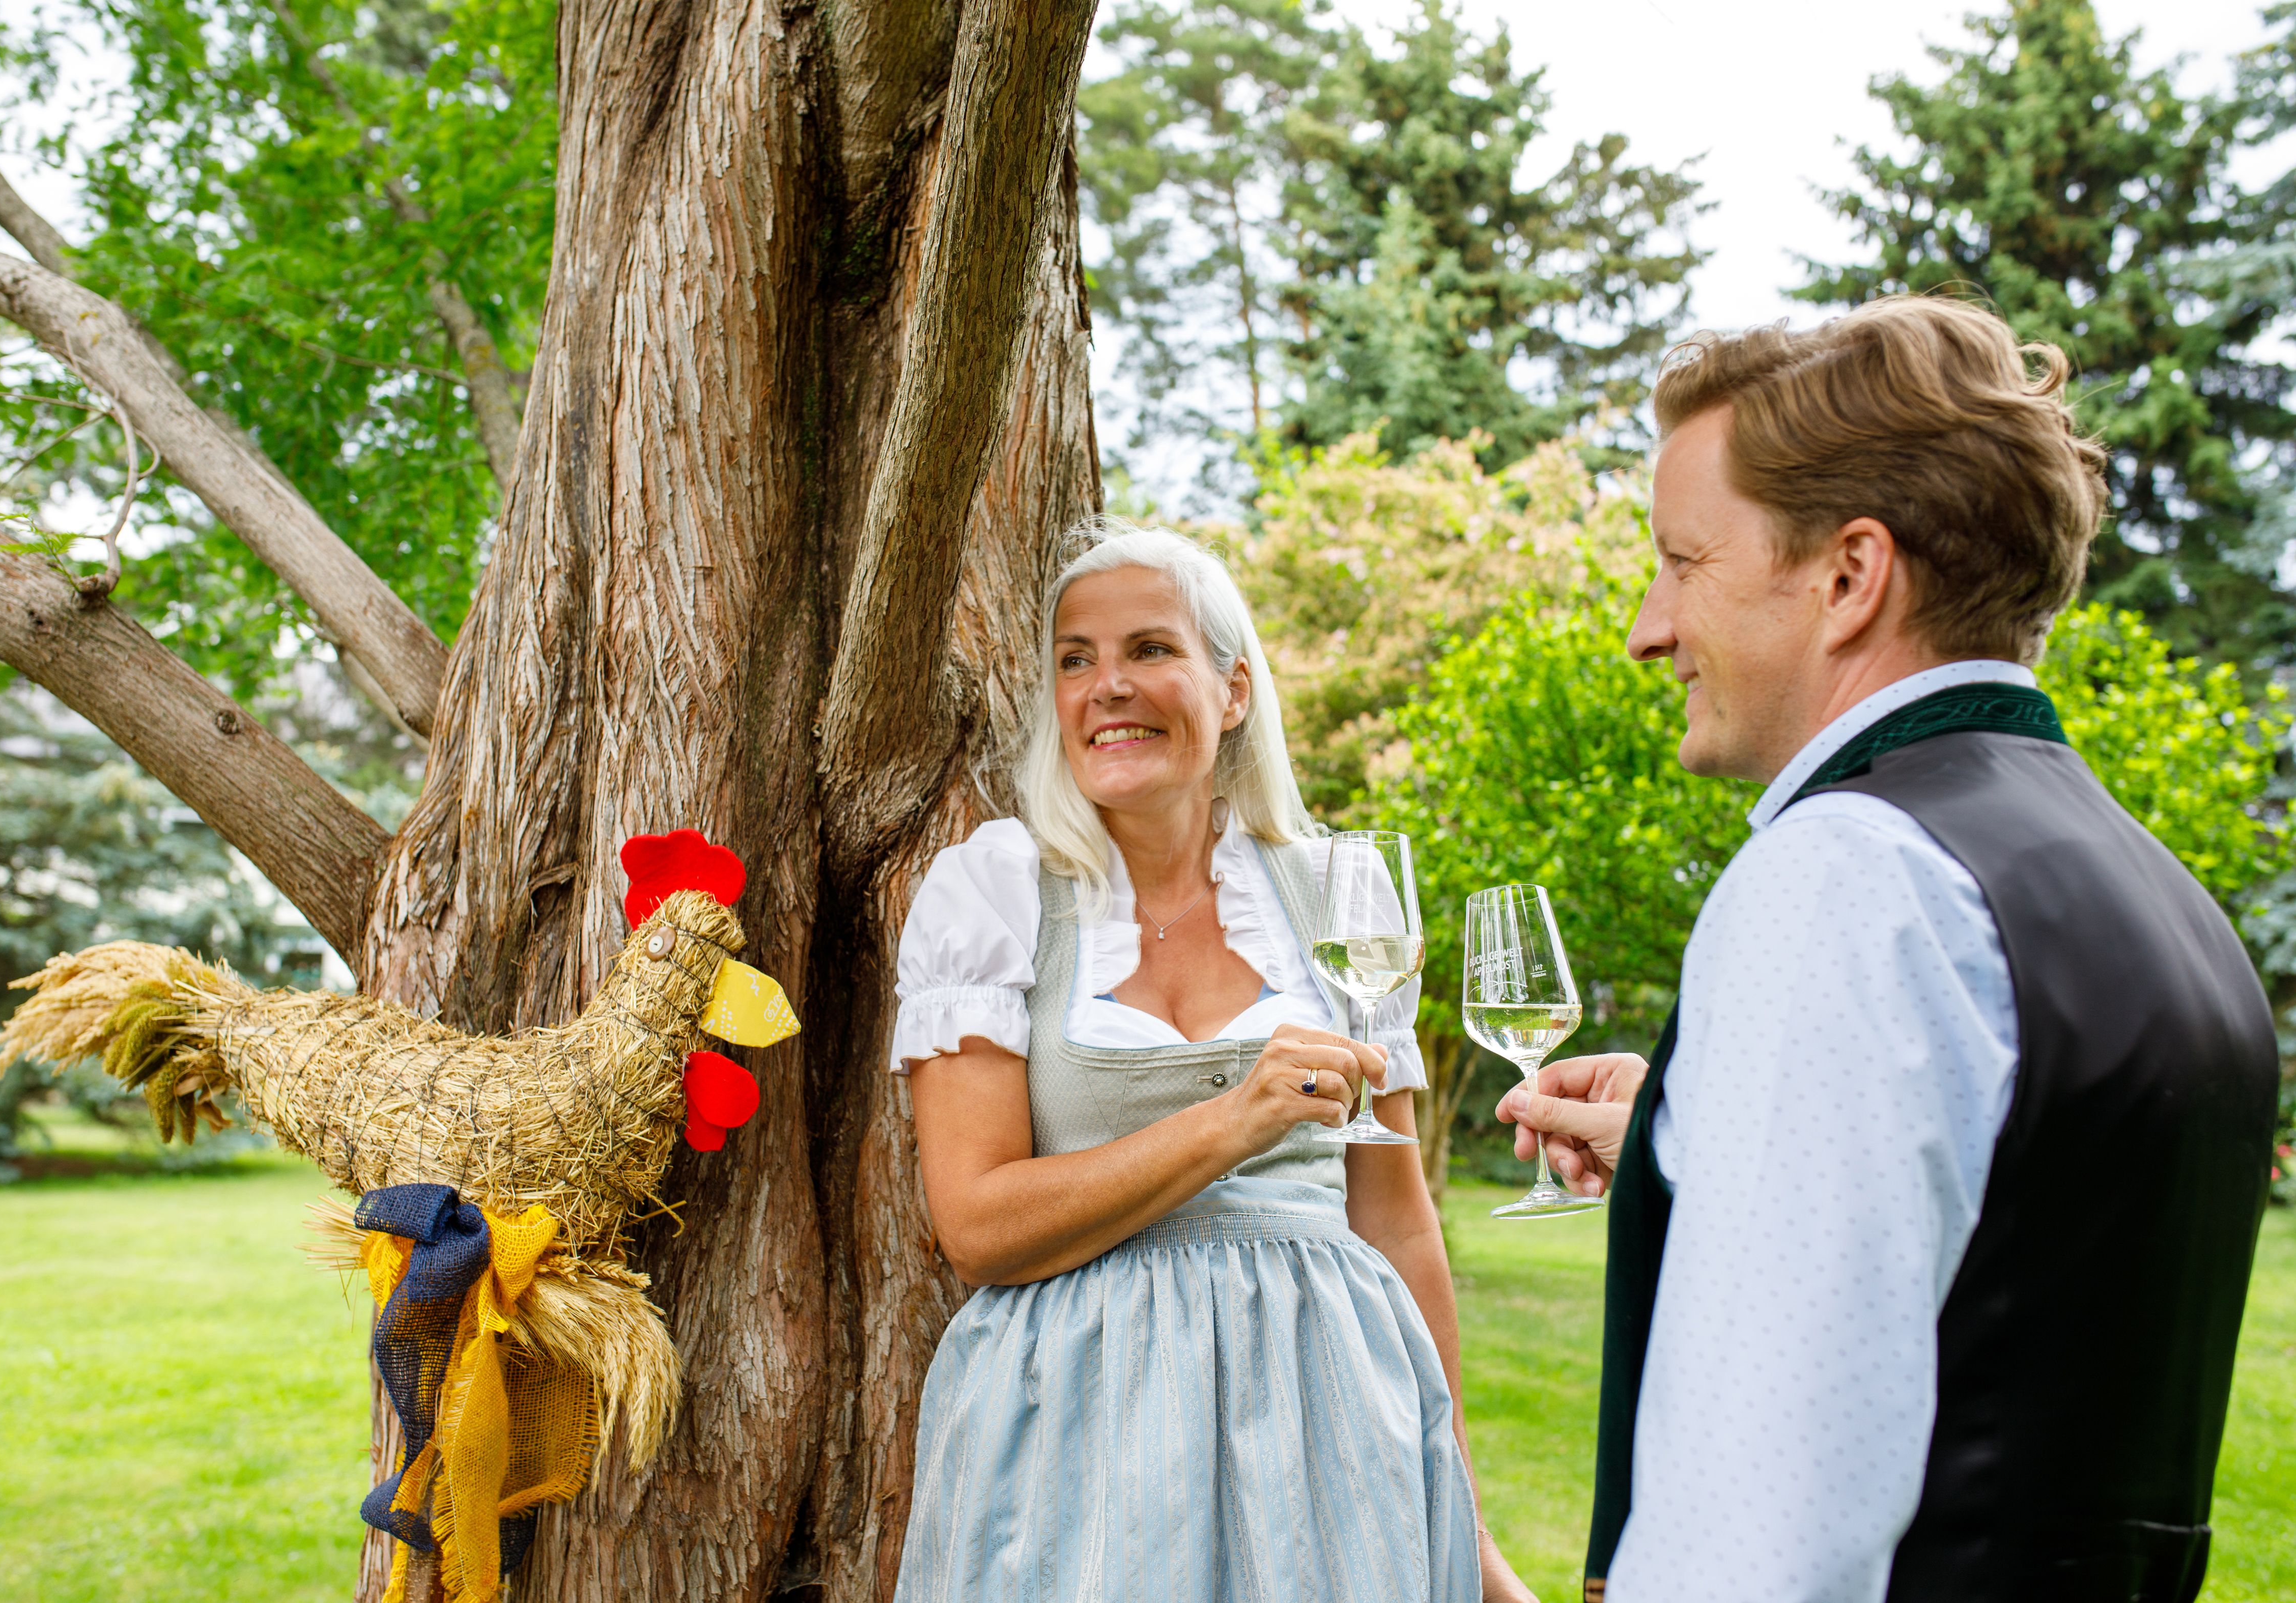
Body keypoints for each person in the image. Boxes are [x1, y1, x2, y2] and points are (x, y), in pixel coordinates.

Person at [1498, 295, 2280, 1603]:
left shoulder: (1846, 878)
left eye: (1684, 562)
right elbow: (2016, 1259)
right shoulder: (2154, 893)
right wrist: (1696, 1134)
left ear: (1850, 577)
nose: (1648, 627)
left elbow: (1758, 1547)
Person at [889, 522, 1529, 1602]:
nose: (1107, 687)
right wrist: (1235, 1120)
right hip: (1074, 1424)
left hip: (1329, 1410)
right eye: (1075, 660)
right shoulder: (992, 894)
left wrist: (1464, 1516)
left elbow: (1396, 1220)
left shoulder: (1338, 895)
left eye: (1149, 650)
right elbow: (978, 1228)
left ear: (1232, 691)